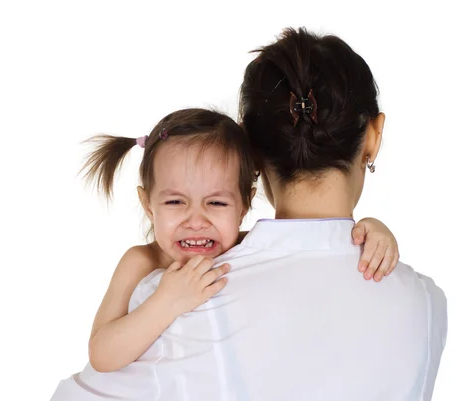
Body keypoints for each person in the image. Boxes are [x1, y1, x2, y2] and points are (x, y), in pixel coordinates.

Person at [51, 28, 445, 401]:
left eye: (215, 202)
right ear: (374, 137)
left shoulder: (183, 294)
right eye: (175, 202)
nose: (196, 220)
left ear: (248, 154)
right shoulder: (429, 305)